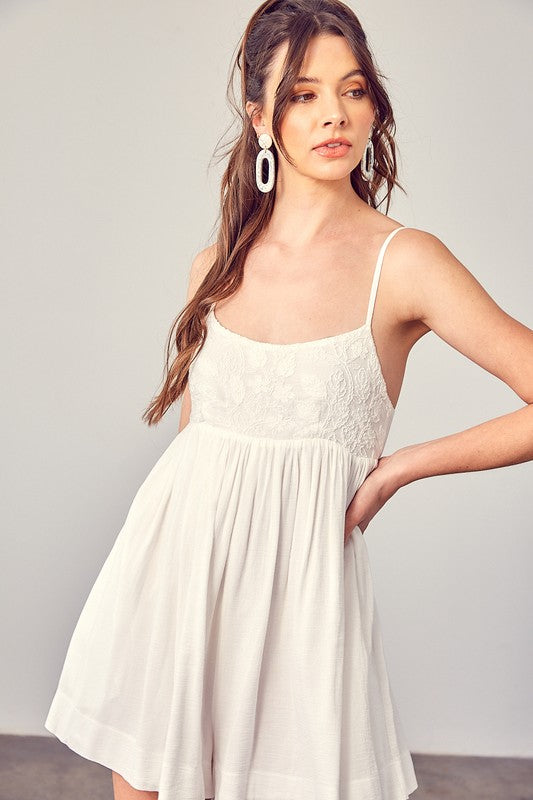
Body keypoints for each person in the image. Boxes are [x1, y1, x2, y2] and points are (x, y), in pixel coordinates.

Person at [44, 1, 533, 799]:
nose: (333, 114)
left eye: (353, 89)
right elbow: (198, 449)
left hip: (303, 615)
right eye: (303, 94)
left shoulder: (404, 262)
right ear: (260, 115)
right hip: (174, 590)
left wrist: (400, 467)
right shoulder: (215, 265)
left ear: (375, 105)